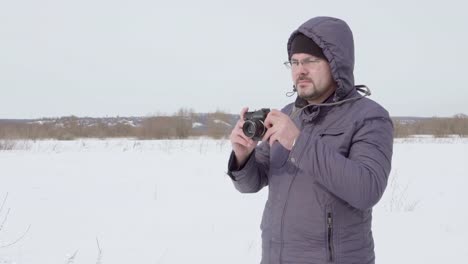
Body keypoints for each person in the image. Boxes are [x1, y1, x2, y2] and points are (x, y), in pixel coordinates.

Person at [227, 16, 393, 264]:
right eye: (294, 62)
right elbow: (251, 183)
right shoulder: (288, 113)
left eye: (310, 61)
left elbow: (366, 189)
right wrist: (243, 156)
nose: (299, 70)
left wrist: (298, 142)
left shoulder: (369, 117)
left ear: (337, 64)